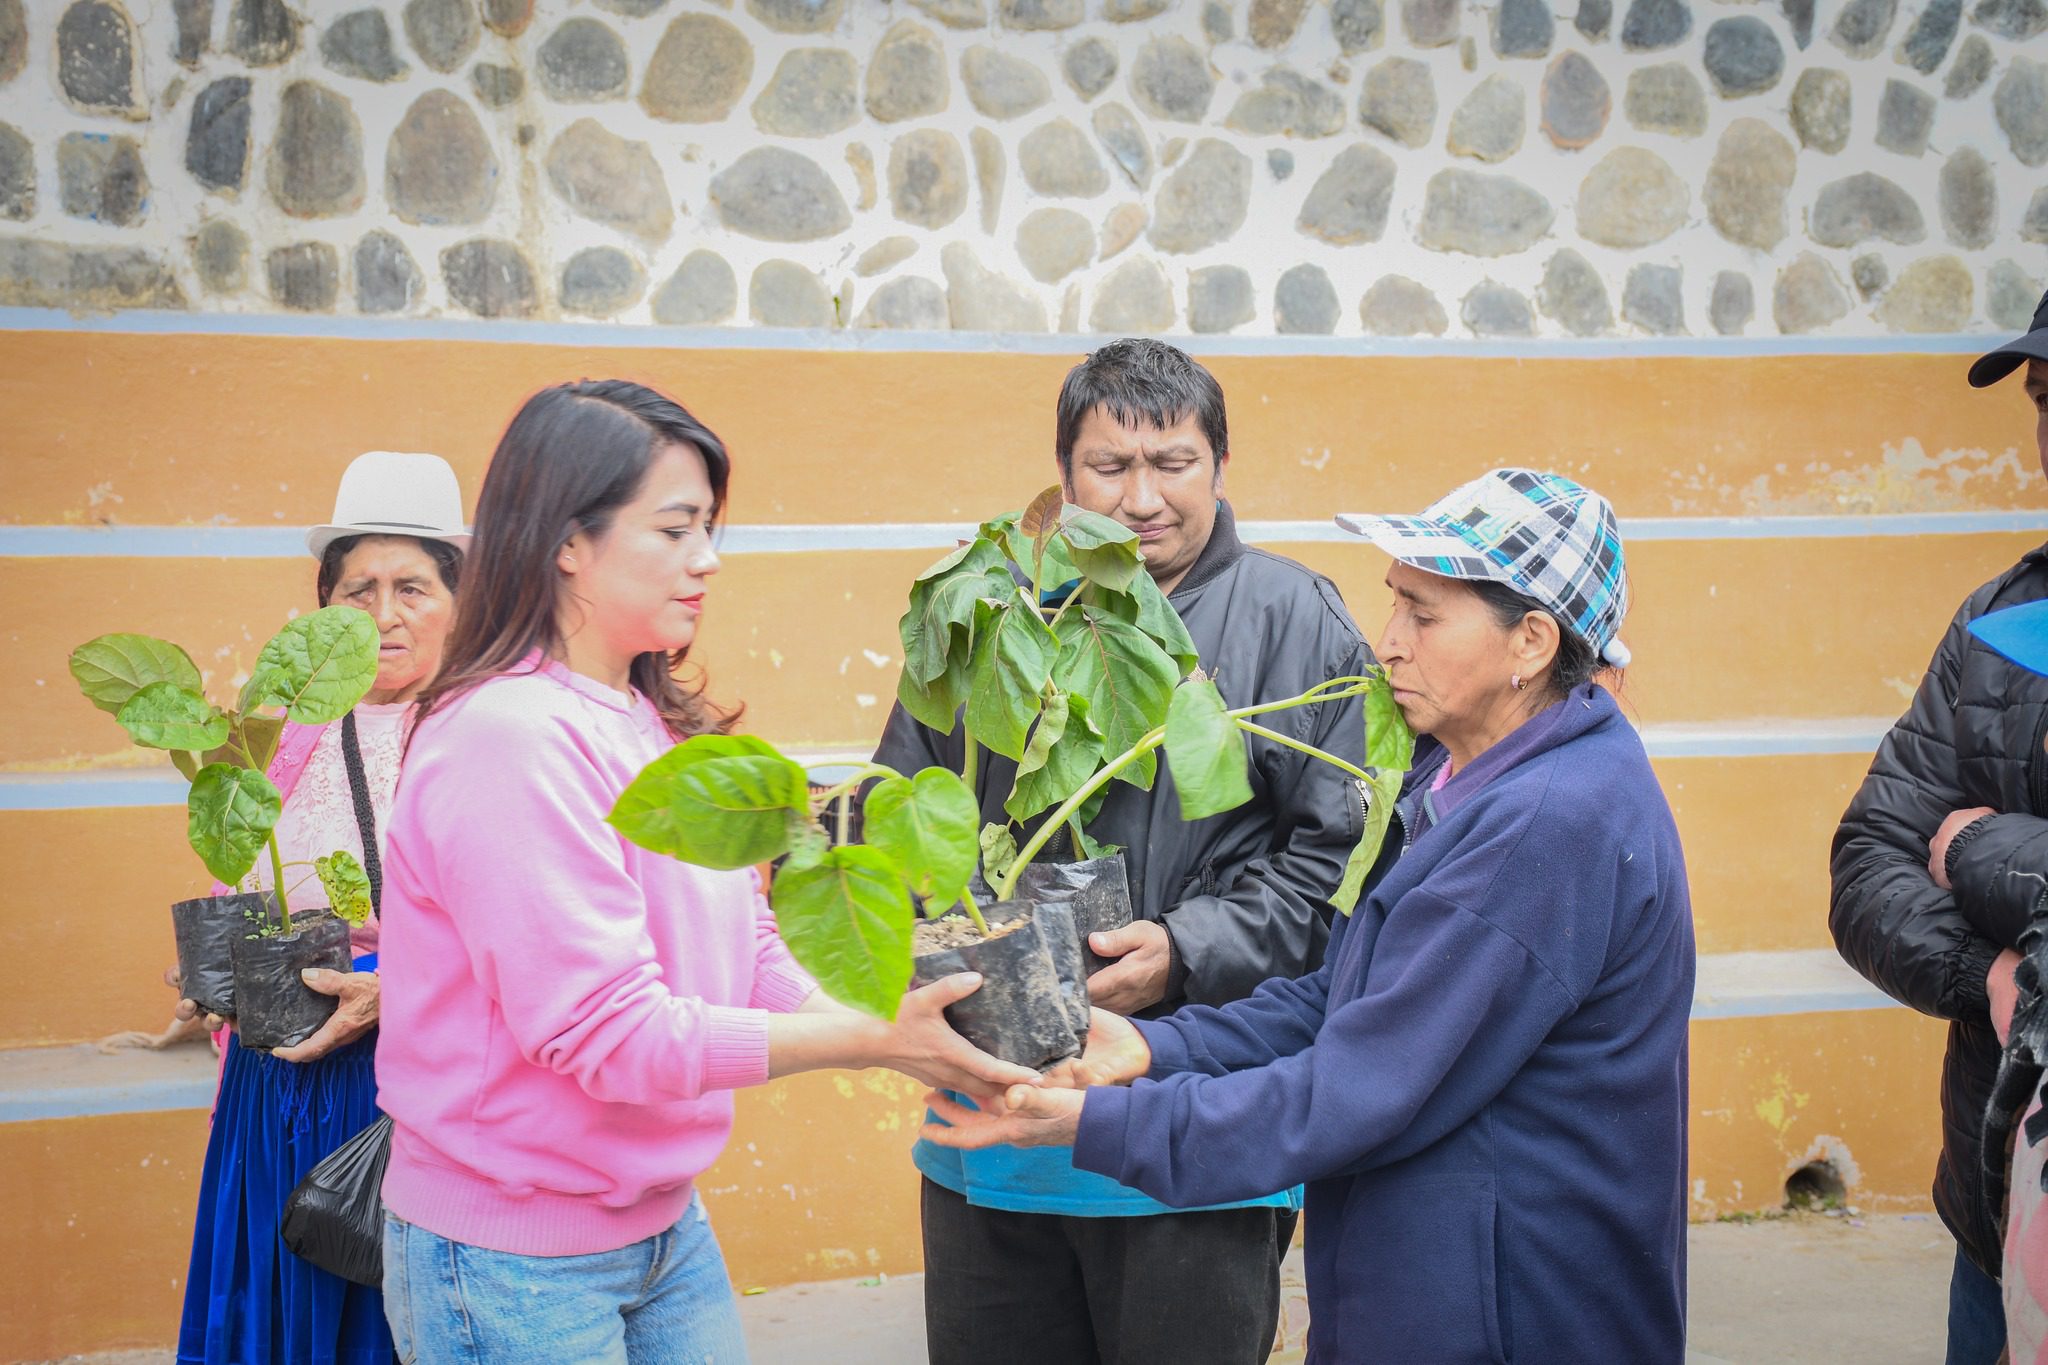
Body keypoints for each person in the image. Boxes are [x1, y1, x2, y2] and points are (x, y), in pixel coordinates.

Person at [926, 469, 1695, 1365]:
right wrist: (1152, 1047)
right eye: (1395, 604)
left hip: (1510, 1312)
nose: (1388, 644)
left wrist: (1099, 1124)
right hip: (1438, 1282)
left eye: (1423, 616)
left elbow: (1357, 1088)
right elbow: (1348, 995)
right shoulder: (1464, 777)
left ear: (1531, 639)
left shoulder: (1546, 825)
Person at [371, 380, 1034, 1363]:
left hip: (658, 1225)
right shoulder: (508, 738)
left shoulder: (644, 717)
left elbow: (743, 940)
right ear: (567, 541)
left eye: (708, 529)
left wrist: (892, 1022)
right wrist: (865, 1037)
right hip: (514, 1257)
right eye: (676, 529)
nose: (707, 558)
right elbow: (607, 1031)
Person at [874, 338, 1374, 1365]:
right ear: (1063, 475)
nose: (1142, 499)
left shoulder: (1293, 617)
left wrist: (1186, 948)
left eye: (1172, 463)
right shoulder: (987, 610)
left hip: (1194, 1130)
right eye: (1109, 466)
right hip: (991, 1119)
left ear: (1218, 465)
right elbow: (903, 820)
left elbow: (1339, 864)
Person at [178, 450, 469, 1365]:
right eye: (358, 590)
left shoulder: (483, 731)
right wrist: (215, 974)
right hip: (278, 1084)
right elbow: (242, 875)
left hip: (406, 1085)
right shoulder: (280, 733)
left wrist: (393, 985)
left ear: (461, 602)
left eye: (413, 588)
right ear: (323, 608)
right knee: (279, 1309)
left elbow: (509, 931)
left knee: (384, 1322)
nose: (383, 614)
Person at [1831, 287, 2048, 1365]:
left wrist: (1974, 846)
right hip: (1998, 1213)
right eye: (2045, 400)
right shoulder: (1999, 623)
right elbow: (1866, 860)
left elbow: (1935, 845)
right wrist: (1992, 976)